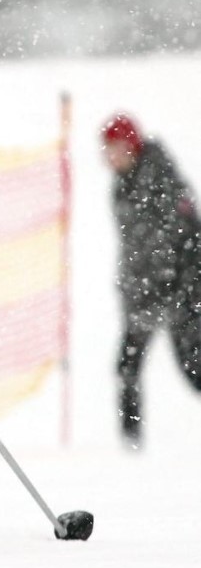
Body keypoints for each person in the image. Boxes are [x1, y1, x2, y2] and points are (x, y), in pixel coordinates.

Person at [100, 113, 201, 447]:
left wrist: (182, 289)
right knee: (127, 368)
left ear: (132, 146)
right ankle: (130, 445)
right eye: (106, 150)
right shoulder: (121, 184)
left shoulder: (161, 179)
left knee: (193, 371)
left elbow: (188, 238)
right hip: (140, 294)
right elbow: (134, 245)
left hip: (177, 293)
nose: (110, 156)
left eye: (115, 148)